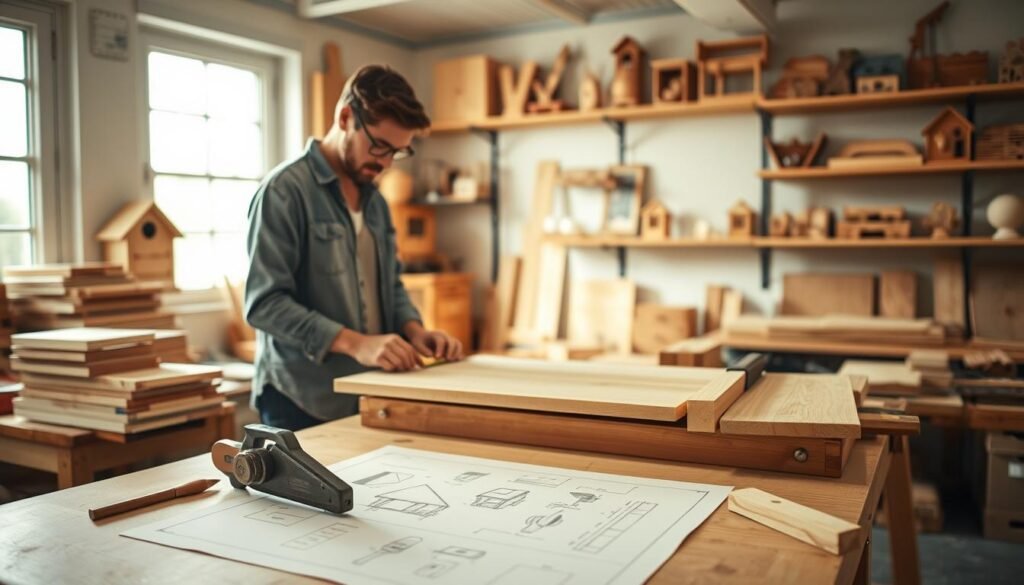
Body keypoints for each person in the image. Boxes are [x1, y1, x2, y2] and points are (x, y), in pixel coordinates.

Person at [245, 64, 464, 431]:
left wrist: (414, 330)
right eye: (378, 145)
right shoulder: (284, 191)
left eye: (397, 152)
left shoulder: (375, 203)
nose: (385, 162)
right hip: (300, 398)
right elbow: (264, 305)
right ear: (345, 117)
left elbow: (390, 285)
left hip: (364, 391)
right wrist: (355, 343)